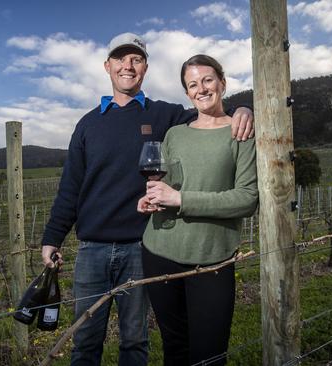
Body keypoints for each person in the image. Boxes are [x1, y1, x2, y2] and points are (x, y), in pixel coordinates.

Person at [40, 33, 254, 366]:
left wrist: (244, 108)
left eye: (136, 59)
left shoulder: (165, 116)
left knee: (135, 342)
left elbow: (210, 114)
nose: (128, 65)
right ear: (107, 66)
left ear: (145, 68)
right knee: (84, 340)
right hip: (91, 250)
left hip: (140, 248)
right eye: (120, 59)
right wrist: (53, 238)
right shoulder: (86, 124)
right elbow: (71, 185)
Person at [137, 54, 258, 366]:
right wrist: (150, 199)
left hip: (212, 259)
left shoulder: (241, 132)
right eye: (192, 84)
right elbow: (166, 182)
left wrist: (180, 200)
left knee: (209, 354)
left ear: (222, 82)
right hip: (159, 252)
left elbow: (246, 199)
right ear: (187, 93)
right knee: (174, 347)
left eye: (207, 80)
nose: (201, 89)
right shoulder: (176, 133)